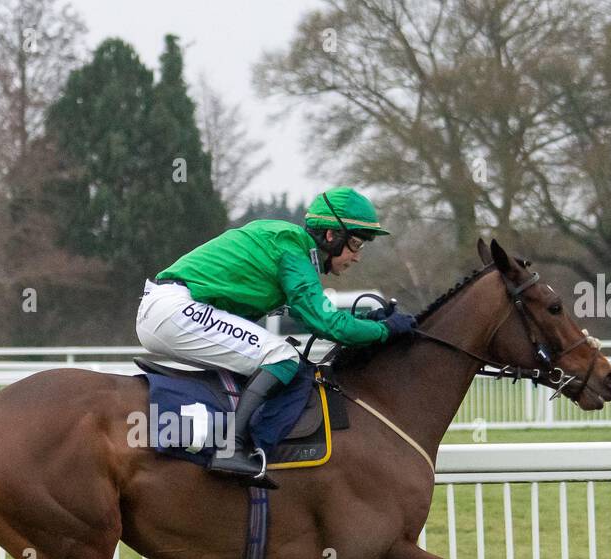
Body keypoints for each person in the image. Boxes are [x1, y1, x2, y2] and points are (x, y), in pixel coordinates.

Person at [136, 186, 416, 483]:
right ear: (332, 236)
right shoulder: (292, 249)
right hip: (176, 310)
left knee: (281, 359)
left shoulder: (290, 246)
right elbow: (327, 324)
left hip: (169, 309)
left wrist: (366, 320)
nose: (357, 256)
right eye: (357, 243)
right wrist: (384, 330)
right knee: (282, 356)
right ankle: (234, 448)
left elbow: (308, 313)